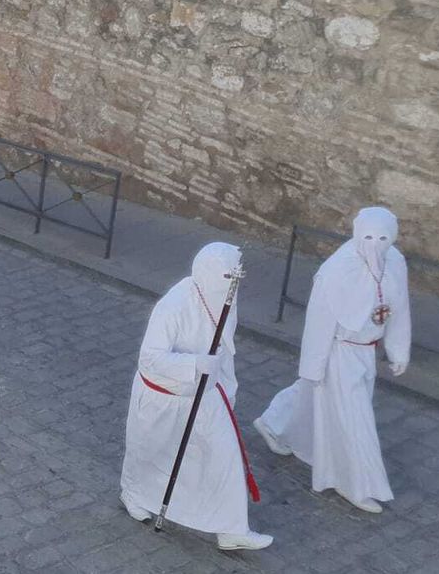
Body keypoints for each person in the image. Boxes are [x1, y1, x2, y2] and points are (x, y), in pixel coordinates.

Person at [255, 208, 410, 514]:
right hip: (339, 354)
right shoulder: (337, 270)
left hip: (367, 351)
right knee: (354, 420)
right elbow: (319, 322)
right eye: (368, 237)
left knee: (315, 398)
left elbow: (399, 308)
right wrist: (312, 366)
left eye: (383, 238)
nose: (375, 245)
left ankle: (275, 423)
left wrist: (398, 350)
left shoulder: (395, 262)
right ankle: (355, 484)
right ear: (357, 234)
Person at [120, 242, 269, 551]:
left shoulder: (224, 298)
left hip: (205, 393)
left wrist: (226, 388)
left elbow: (223, 352)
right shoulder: (173, 305)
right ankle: (133, 492)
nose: (234, 286)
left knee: (225, 452)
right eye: (229, 278)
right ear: (210, 275)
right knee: (152, 452)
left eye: (236, 279)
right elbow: (149, 358)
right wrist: (194, 364)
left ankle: (231, 528)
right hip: (164, 396)